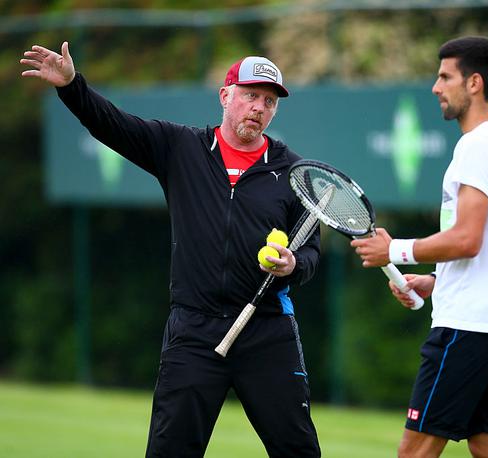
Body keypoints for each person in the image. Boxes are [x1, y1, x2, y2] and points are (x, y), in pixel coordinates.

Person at [21, 42, 322, 457]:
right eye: (251, 95)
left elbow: (311, 254)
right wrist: (73, 86)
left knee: (298, 451)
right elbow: (112, 124)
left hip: (267, 331)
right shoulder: (181, 148)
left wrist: (292, 264)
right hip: (194, 331)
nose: (259, 107)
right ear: (225, 95)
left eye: (269, 101)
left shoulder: (292, 172)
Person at [351, 36, 488, 458]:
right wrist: (436, 281)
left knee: (413, 453)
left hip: (466, 329)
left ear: (474, 83)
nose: (435, 86)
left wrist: (394, 250)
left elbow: (467, 239)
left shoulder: (476, 147)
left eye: (445, 76)